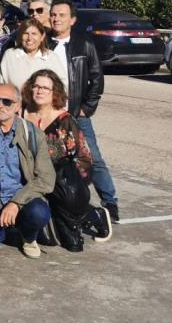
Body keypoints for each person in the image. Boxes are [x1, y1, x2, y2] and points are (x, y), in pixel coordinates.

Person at [0, 83, 55, 260]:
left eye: (6, 102)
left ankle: (28, 237)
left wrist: (16, 203)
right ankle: (8, 230)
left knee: (39, 212)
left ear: (17, 106)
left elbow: (46, 178)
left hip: (23, 201)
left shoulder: (33, 133)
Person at [21, 70, 109, 251]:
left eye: (45, 88)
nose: (39, 91)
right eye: (36, 86)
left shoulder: (64, 120)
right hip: (31, 176)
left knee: (73, 245)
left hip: (60, 182)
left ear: (55, 93)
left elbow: (84, 156)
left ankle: (93, 214)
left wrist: (76, 192)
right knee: (49, 239)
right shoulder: (22, 114)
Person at [49, 0, 118, 224]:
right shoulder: (44, 44)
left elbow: (97, 78)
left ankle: (110, 202)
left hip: (76, 114)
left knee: (93, 158)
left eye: (61, 15)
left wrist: (87, 109)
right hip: (51, 115)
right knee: (56, 162)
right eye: (53, 15)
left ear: (73, 19)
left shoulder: (84, 43)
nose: (56, 18)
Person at [0, 18, 67, 91]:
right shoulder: (10, 55)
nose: (29, 38)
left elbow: (63, 87)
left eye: (34, 34)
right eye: (26, 33)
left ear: (42, 36)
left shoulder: (52, 57)